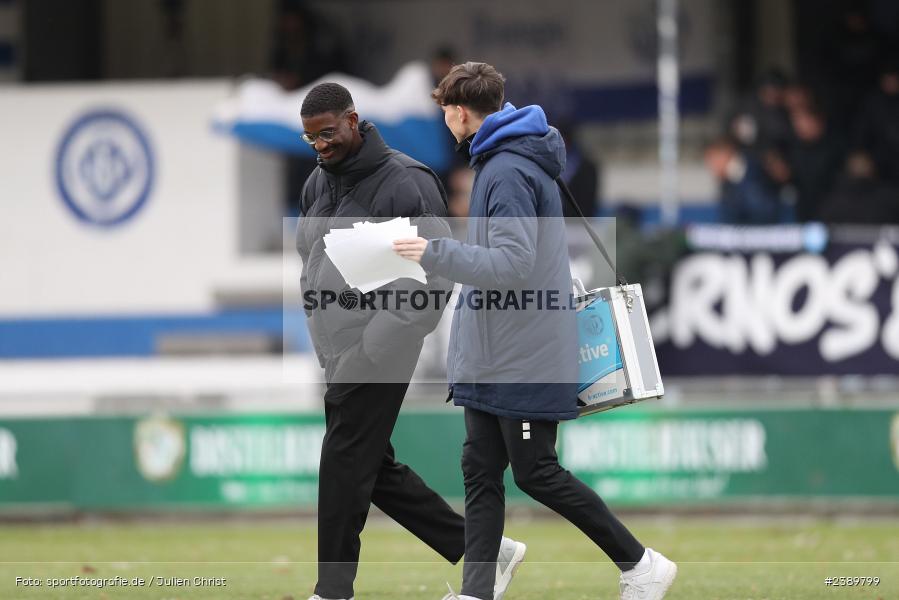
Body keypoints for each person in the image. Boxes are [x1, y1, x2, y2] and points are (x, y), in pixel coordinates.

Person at [393, 62, 677, 600]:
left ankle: (641, 564)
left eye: (444, 113)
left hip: (520, 352)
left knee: (536, 471)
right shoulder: (509, 162)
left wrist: (433, 251)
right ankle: (477, 591)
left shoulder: (504, 170)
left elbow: (511, 264)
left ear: (458, 111)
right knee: (480, 472)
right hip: (497, 351)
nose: (445, 122)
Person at [295, 82, 524, 600]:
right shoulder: (315, 183)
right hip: (337, 351)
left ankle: (331, 590)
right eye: (311, 139)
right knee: (369, 467)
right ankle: (486, 549)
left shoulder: (407, 180)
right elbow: (310, 264)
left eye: (328, 133)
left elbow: (435, 277)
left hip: (380, 349)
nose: (321, 146)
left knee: (341, 463)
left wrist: (373, 347)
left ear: (353, 120)